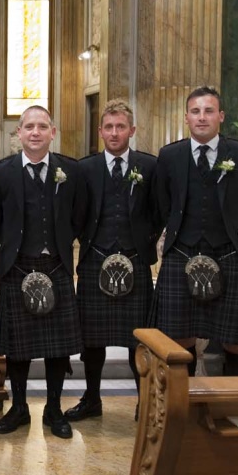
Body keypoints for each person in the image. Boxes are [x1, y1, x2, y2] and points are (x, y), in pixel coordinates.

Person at [0, 105, 86, 438]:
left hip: (55, 265)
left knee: (57, 347)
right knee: (17, 347)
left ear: (52, 133)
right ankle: (19, 408)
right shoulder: (1, 173)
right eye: (29, 126)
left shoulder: (69, 170)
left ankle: (55, 409)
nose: (35, 132)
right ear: (19, 133)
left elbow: (79, 216)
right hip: (18, 266)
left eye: (42, 126)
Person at [153, 86, 238, 376]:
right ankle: (184, 406)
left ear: (221, 116)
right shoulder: (170, 155)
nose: (201, 117)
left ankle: (232, 408)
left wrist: (236, 238)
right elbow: (162, 204)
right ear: (186, 118)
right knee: (180, 338)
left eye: (208, 111)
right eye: (195, 111)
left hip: (229, 254)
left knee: (235, 342)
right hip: (181, 252)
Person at [69, 100, 159, 424]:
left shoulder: (149, 167)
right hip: (95, 260)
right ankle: (91, 398)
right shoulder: (85, 168)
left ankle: (144, 402)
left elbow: (158, 211)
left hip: (134, 261)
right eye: (108, 127)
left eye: (120, 126)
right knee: (92, 339)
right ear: (100, 131)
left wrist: (144, 242)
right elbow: (76, 213)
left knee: (139, 338)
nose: (114, 132)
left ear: (132, 130)